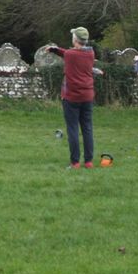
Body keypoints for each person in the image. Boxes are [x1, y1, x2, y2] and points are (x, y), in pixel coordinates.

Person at [46, 27, 99, 168]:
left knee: (72, 129)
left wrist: (54, 49)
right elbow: (68, 53)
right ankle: (88, 161)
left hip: (71, 97)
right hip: (87, 95)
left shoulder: (71, 54)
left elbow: (68, 53)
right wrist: (56, 50)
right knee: (87, 128)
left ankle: (75, 162)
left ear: (75, 39)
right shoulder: (90, 53)